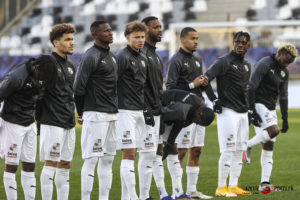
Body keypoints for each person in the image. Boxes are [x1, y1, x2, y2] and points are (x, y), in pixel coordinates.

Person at [165, 27, 215, 199]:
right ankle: (177, 191)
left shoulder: (197, 58)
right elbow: (169, 89)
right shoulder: (175, 60)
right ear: (182, 40)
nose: (196, 41)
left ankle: (192, 190)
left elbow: (196, 84)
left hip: (199, 111)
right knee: (181, 151)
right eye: (192, 38)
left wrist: (202, 84)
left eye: (197, 38)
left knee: (197, 150)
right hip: (184, 113)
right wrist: (192, 85)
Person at [0, 55, 58, 200]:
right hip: (13, 124)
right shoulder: (16, 77)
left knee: (30, 166)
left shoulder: (43, 73)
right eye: (43, 75)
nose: (43, 79)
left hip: (29, 124)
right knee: (12, 166)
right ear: (36, 68)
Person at [243, 43, 298, 191]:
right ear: (280, 53)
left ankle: (264, 184)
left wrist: (285, 118)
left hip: (271, 108)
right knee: (274, 130)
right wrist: (252, 110)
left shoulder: (284, 72)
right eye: (286, 60)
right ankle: (246, 145)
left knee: (269, 145)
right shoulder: (264, 64)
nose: (287, 64)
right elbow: (251, 87)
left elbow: (284, 96)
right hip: (258, 104)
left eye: (290, 62)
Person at [73, 20, 118, 200]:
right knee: (91, 160)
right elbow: (78, 88)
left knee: (108, 161)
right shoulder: (90, 56)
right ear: (95, 35)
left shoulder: (112, 56)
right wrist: (82, 112)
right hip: (95, 114)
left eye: (110, 29)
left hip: (113, 114)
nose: (110, 32)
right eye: (106, 31)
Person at [204, 31, 252, 197]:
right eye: (238, 42)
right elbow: (205, 80)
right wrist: (214, 100)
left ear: (248, 45)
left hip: (243, 113)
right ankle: (220, 188)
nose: (240, 44)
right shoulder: (223, 61)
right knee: (228, 150)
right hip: (228, 112)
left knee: (239, 150)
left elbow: (245, 90)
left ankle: (233, 186)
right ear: (233, 42)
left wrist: (250, 110)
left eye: (244, 42)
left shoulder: (247, 65)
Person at [37, 23, 76, 200]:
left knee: (65, 164)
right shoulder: (46, 63)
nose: (71, 43)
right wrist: (37, 121)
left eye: (72, 39)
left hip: (69, 122)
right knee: (51, 163)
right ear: (55, 42)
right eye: (67, 40)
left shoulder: (71, 66)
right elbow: (37, 94)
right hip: (51, 122)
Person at [116, 21, 149, 200]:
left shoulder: (142, 57)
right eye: (136, 37)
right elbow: (112, 83)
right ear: (127, 37)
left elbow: (141, 87)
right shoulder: (121, 57)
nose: (140, 40)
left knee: (133, 154)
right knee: (128, 154)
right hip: (124, 110)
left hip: (138, 111)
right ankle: (134, 196)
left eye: (142, 37)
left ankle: (126, 197)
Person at [139, 16, 169, 200]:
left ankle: (162, 193)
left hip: (157, 112)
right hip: (146, 113)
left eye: (160, 26)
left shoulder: (155, 55)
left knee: (156, 153)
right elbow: (138, 87)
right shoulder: (142, 54)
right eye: (155, 27)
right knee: (147, 154)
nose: (160, 30)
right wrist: (146, 109)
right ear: (145, 30)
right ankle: (143, 196)